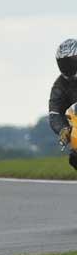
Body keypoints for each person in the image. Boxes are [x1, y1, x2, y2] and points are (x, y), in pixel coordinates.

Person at [50, 39, 77, 169]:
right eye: (64, 63)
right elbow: (54, 113)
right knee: (74, 157)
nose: (68, 67)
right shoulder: (59, 86)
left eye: (72, 62)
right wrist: (63, 129)